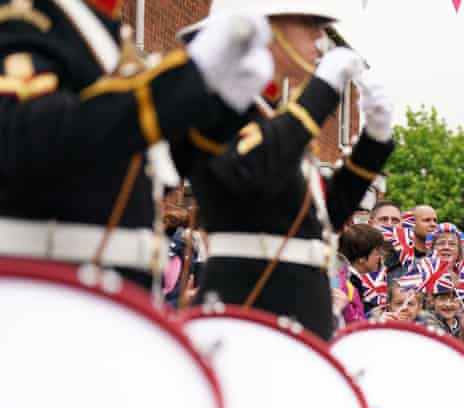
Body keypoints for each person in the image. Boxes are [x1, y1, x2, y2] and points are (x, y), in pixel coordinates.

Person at [0, 0, 272, 288]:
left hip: (116, 292)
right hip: (49, 290)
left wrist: (222, 109)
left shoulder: (110, 31)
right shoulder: (28, 13)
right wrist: (182, 80)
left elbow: (143, 167)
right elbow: (25, 140)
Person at [185, 3, 395, 340]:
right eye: (308, 23)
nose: (319, 36)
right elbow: (255, 166)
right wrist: (322, 90)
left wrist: (375, 139)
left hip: (298, 314)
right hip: (248, 311)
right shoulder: (217, 107)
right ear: (263, 28)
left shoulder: (273, 119)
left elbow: (328, 214)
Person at [339, 223, 384, 316]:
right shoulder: (349, 282)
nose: (380, 257)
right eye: (377, 252)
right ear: (362, 258)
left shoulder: (347, 277)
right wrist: (370, 317)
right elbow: (351, 317)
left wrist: (371, 312)